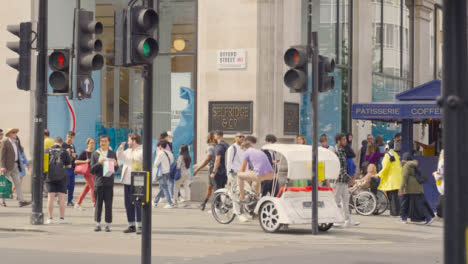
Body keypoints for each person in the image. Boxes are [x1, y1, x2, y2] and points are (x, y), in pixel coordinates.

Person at [91, 135, 119, 232]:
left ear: (109, 142)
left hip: (109, 183)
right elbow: (91, 170)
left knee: (108, 204)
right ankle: (97, 223)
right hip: (99, 183)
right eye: (102, 141)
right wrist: (99, 163)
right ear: (99, 143)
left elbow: (116, 168)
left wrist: (116, 165)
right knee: (98, 204)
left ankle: (108, 224)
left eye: (106, 141)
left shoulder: (112, 154)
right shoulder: (95, 154)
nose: (104, 143)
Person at [117, 133, 143, 234]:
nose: (128, 142)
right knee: (128, 203)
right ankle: (131, 225)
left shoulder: (141, 150)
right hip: (127, 179)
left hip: (138, 179)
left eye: (129, 140)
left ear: (134, 140)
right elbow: (120, 157)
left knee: (137, 203)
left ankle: (139, 225)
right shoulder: (127, 151)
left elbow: (141, 161)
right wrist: (120, 148)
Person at [399, 153, 435, 225]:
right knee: (410, 203)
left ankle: (428, 218)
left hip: (410, 187)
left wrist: (401, 188)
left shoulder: (406, 166)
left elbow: (404, 177)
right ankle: (404, 218)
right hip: (417, 186)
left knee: (409, 203)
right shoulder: (414, 164)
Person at [0, 128, 31, 207]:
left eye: (16, 132)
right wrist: (2, 166)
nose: (15, 134)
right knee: (4, 185)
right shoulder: (5, 142)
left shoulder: (16, 143)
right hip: (7, 166)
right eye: (14, 132)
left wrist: (21, 164)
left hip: (15, 166)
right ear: (9, 134)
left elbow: (18, 155)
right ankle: (2, 201)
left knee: (18, 184)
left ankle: (21, 201)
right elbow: (2, 156)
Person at [334, 133, 359, 227]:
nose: (345, 141)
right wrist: (350, 179)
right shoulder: (338, 151)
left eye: (345, 139)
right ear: (338, 141)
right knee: (336, 200)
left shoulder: (342, 150)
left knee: (345, 200)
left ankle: (348, 219)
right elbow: (340, 169)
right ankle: (334, 219)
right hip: (339, 180)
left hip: (343, 180)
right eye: (343, 139)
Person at [45, 137, 71, 224]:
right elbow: (69, 166)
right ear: (61, 143)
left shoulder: (47, 150)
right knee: (62, 198)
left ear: (54, 142)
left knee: (50, 198)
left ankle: (49, 218)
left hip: (50, 177)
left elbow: (45, 166)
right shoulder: (64, 151)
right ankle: (62, 219)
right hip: (62, 177)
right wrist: (63, 166)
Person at [377, 140, 402, 217]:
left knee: (392, 197)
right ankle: (396, 212)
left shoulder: (388, 155)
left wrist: (379, 174)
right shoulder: (395, 154)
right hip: (396, 178)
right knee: (394, 196)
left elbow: (385, 168)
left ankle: (394, 213)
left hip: (391, 179)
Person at [194, 132, 217, 211]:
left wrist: (198, 169)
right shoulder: (217, 146)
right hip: (217, 169)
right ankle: (203, 204)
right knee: (210, 187)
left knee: (214, 188)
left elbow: (208, 159)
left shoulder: (210, 147)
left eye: (207, 137)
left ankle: (217, 207)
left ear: (209, 138)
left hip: (212, 169)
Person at [153, 140, 176, 208]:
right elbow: (171, 162)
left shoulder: (160, 153)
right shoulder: (170, 153)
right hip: (167, 172)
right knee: (162, 187)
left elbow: (156, 163)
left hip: (161, 172)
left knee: (164, 187)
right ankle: (155, 201)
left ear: (160, 146)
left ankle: (170, 203)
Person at [75, 138, 96, 210]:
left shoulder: (95, 153)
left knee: (87, 189)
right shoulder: (84, 152)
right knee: (93, 187)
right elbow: (76, 161)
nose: (92, 144)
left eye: (93, 143)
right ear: (87, 144)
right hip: (87, 172)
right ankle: (95, 204)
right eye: (91, 143)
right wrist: (85, 161)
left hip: (93, 172)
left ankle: (78, 203)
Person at [63, 131, 77, 206]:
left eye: (71, 137)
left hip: (72, 168)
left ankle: (70, 201)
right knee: (66, 184)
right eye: (68, 136)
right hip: (65, 168)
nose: (69, 138)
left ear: (73, 138)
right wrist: (66, 152)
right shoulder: (63, 145)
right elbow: (60, 156)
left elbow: (74, 155)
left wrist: (74, 156)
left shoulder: (72, 145)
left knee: (72, 185)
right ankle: (60, 198)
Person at [433, 150, 444, 218]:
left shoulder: (442, 161)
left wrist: (434, 174)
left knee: (442, 197)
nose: (440, 154)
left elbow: (440, 174)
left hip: (443, 183)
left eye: (441, 153)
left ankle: (440, 214)